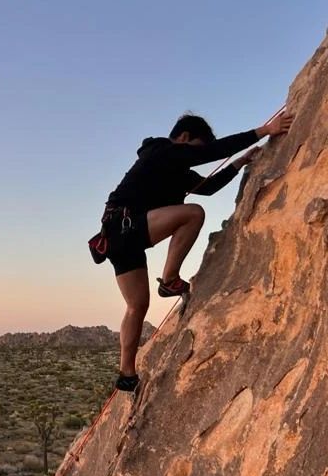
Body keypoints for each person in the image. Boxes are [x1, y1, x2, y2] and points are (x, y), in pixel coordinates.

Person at [101, 111, 294, 392]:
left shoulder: (175, 168)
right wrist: (264, 131)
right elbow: (211, 154)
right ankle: (169, 280)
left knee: (137, 305)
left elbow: (208, 186)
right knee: (193, 214)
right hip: (126, 226)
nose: (196, 155)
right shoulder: (161, 151)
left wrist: (239, 163)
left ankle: (127, 374)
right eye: (196, 148)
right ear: (184, 137)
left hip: (118, 235)